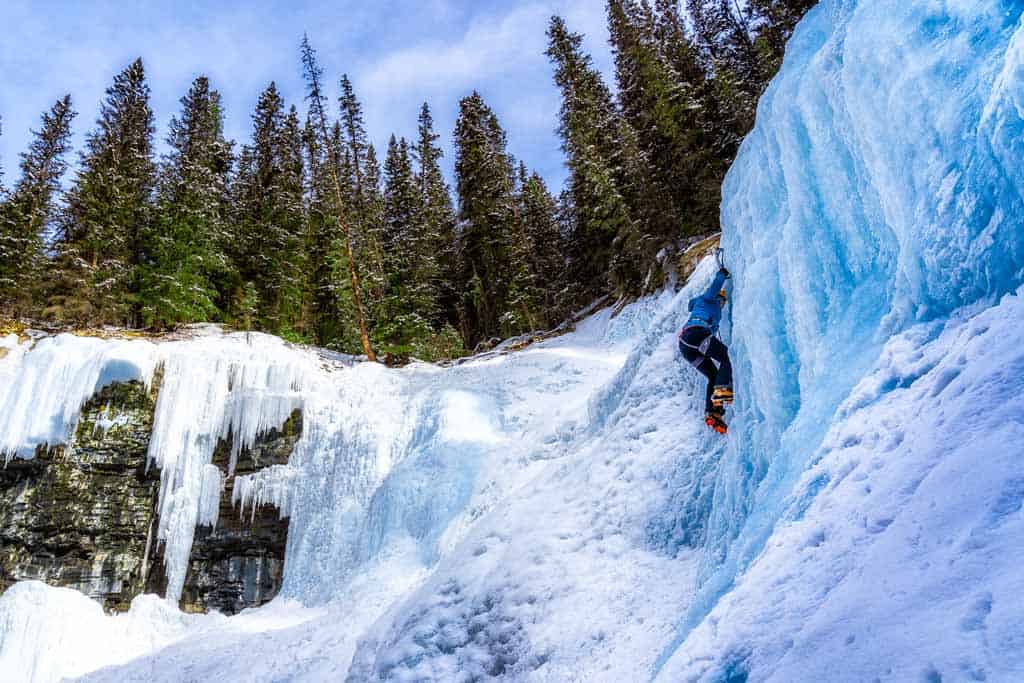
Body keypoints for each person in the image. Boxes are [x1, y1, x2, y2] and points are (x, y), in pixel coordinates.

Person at [678, 266, 733, 434]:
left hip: (686, 346)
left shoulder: (709, 312)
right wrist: (722, 274)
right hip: (695, 334)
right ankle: (721, 390)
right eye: (721, 300)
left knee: (713, 375)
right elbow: (714, 287)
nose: (722, 303)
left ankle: (713, 412)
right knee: (727, 357)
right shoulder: (707, 299)